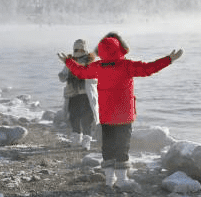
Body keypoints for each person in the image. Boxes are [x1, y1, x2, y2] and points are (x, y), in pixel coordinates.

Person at [60, 32, 182, 189]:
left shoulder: (97, 66)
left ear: (101, 51)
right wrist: (169, 59)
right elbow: (149, 68)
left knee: (108, 146)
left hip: (106, 116)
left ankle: (109, 180)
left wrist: (68, 62)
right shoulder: (127, 66)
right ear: (120, 50)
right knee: (122, 147)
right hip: (124, 116)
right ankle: (122, 179)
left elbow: (80, 72)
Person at [57, 39, 98, 149]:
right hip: (73, 94)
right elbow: (63, 76)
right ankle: (76, 138)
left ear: (84, 49)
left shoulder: (90, 62)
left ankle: (86, 141)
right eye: (76, 49)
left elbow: (95, 78)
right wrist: (62, 75)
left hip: (86, 95)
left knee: (87, 119)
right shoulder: (69, 62)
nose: (78, 51)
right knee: (73, 117)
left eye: (81, 49)